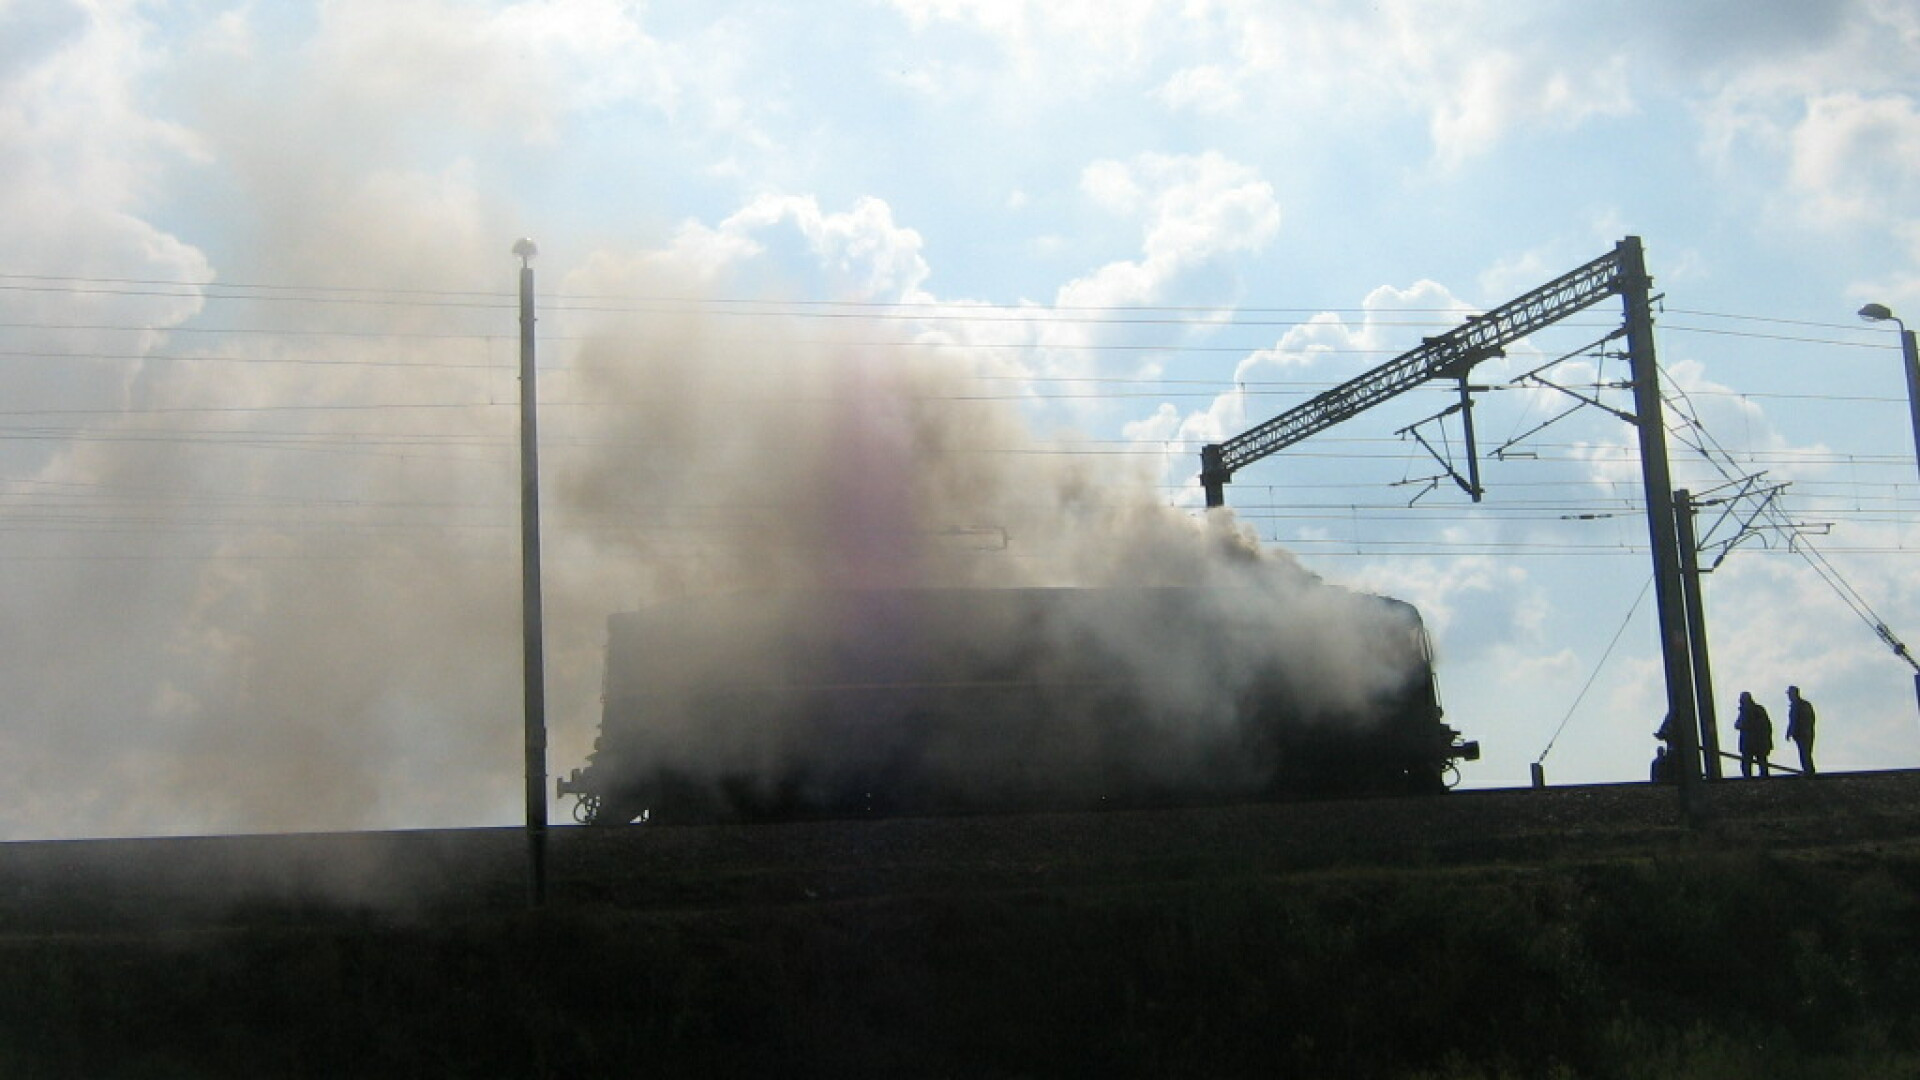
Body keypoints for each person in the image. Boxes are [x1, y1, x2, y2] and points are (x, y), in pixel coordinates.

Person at [1734, 690, 1772, 778]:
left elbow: (1741, 724)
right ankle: (1764, 778)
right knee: (1762, 761)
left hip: (1748, 742)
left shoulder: (1745, 711)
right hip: (1760, 742)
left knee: (1746, 763)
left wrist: (1739, 725)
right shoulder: (1760, 709)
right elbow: (1767, 726)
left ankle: (1748, 779)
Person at [1785, 685, 1817, 776]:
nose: (1789, 696)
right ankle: (1809, 770)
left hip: (1802, 734)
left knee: (1804, 753)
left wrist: (1790, 732)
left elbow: (1794, 720)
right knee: (1806, 752)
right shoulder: (1805, 704)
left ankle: (1808, 771)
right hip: (1806, 732)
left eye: (1789, 694)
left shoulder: (1797, 705)